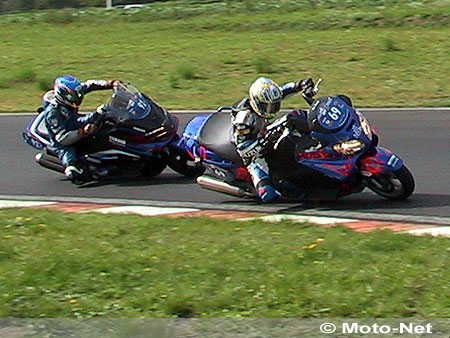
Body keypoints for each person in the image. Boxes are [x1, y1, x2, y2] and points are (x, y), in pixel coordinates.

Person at [231, 76, 315, 203]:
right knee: (268, 195)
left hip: (266, 135)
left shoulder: (267, 97)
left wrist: (301, 84)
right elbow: (243, 150)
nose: (272, 109)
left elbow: (284, 90)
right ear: (256, 102)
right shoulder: (244, 120)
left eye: (274, 106)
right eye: (268, 106)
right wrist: (265, 140)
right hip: (254, 155)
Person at [44, 75, 118, 184]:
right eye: (73, 96)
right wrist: (82, 132)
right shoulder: (53, 113)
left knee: (104, 121)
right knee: (71, 162)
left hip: (75, 123)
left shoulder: (73, 92)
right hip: (64, 139)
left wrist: (110, 84)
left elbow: (89, 85)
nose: (77, 98)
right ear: (62, 94)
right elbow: (62, 138)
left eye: (78, 95)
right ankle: (79, 170)